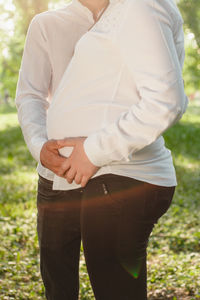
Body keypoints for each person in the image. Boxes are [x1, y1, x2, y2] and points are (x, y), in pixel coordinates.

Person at [15, 0, 188, 299]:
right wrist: (39, 146)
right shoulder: (48, 24)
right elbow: (31, 95)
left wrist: (94, 151)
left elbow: (165, 97)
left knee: (113, 281)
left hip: (115, 170)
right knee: (58, 274)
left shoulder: (140, 9)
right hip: (57, 173)